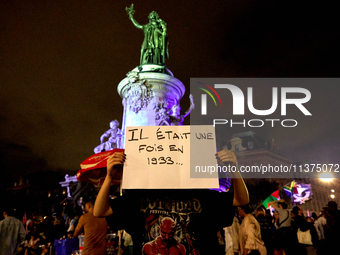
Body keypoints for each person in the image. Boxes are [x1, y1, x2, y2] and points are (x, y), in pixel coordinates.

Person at [94, 150, 249, 255]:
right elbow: (100, 211)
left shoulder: (200, 194)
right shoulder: (139, 197)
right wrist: (109, 177)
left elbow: (241, 200)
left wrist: (234, 169)